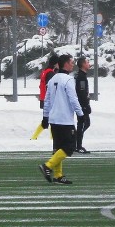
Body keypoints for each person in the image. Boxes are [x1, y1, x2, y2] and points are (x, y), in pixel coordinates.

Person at [38, 54, 82, 185]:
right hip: (64, 119)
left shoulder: (52, 79)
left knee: (58, 148)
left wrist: (45, 117)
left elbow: (47, 100)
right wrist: (80, 114)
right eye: (71, 62)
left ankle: (58, 175)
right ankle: (48, 166)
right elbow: (73, 99)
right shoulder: (68, 80)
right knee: (69, 148)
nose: (73, 64)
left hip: (54, 119)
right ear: (65, 64)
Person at [31, 53, 58, 140]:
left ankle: (34, 137)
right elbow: (50, 87)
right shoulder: (51, 73)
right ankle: (52, 138)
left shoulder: (45, 72)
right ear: (55, 63)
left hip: (43, 98)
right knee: (52, 120)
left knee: (47, 121)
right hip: (48, 100)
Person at [74, 56, 92, 153]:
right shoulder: (81, 77)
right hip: (81, 105)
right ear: (83, 65)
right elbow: (81, 92)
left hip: (82, 104)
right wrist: (85, 105)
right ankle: (77, 144)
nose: (89, 64)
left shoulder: (81, 76)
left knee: (85, 123)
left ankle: (77, 141)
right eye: (87, 62)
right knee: (83, 123)